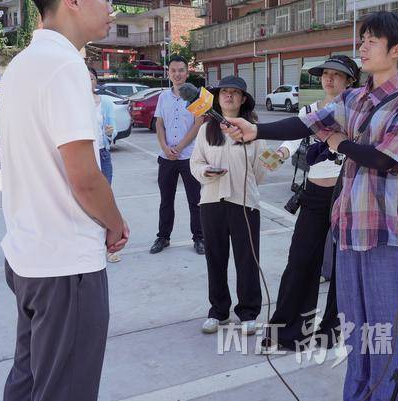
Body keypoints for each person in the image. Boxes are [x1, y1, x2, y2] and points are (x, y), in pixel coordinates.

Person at [222, 11, 398, 401]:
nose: (362, 46)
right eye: (363, 38)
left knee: (390, 334)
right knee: (358, 331)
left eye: (371, 40)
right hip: (349, 233)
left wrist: (339, 143)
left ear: (396, 50)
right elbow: (306, 123)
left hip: (386, 238)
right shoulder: (354, 98)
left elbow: (385, 159)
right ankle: (359, 397)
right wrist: (256, 130)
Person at [0, 0, 129, 401]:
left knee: (29, 378)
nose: (111, 9)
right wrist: (115, 223)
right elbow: (84, 176)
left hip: (27, 255)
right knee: (65, 391)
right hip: (65, 262)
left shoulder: (20, 66)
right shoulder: (65, 66)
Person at [262, 55, 360, 352]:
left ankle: (333, 330)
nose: (328, 79)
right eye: (325, 73)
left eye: (336, 74)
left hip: (349, 196)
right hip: (315, 195)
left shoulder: (358, 113)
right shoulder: (309, 111)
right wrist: (279, 154)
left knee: (345, 264)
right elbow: (292, 139)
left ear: (350, 81)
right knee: (300, 260)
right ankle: (287, 332)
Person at [190, 76, 270, 336]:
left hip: (244, 203)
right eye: (224, 91)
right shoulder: (207, 129)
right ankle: (218, 311)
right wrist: (206, 171)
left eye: (235, 92)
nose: (229, 96)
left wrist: (243, 182)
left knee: (247, 260)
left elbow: (261, 169)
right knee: (215, 258)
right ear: (217, 97)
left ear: (243, 99)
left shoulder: (253, 130)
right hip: (212, 202)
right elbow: (195, 163)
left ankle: (248, 313)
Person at [150, 55, 205, 256]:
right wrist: (165, 147)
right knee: (166, 199)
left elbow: (198, 123)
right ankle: (163, 237)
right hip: (166, 158)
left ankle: (199, 238)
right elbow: (159, 124)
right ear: (169, 73)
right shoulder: (163, 97)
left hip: (189, 156)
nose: (177, 74)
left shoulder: (195, 96)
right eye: (173, 70)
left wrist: (180, 147)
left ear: (187, 72)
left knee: (195, 200)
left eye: (181, 70)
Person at [88, 65, 120, 263]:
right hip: (85, 156)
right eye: (84, 78)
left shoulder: (105, 102)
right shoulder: (74, 103)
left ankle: (110, 247)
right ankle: (92, 246)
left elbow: (112, 129)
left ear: (96, 81)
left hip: (102, 154)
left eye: (91, 78)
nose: (88, 82)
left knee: (105, 200)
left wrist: (110, 132)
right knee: (86, 203)